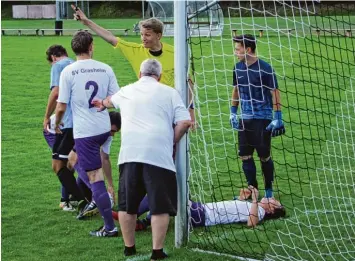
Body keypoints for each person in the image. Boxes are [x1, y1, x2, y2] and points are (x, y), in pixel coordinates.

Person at [92, 59, 191, 260]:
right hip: (158, 155)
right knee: (159, 205)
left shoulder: (127, 90)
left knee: (127, 204)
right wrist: (171, 140)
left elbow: (110, 101)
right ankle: (156, 251)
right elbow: (185, 122)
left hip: (130, 155)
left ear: (140, 74)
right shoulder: (170, 92)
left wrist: (102, 103)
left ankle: (129, 248)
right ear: (160, 76)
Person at [71, 5, 196, 129]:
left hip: (171, 109)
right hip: (148, 110)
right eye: (141, 34)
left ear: (158, 35)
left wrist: (191, 111)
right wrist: (86, 22)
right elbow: (110, 38)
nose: (143, 38)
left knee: (173, 146)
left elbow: (189, 82)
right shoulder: (135, 50)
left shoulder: (175, 53)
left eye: (147, 35)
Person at [55, 31, 120, 237]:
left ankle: (109, 226)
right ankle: (88, 197)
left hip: (86, 133)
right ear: (91, 46)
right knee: (78, 162)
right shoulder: (105, 68)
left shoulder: (69, 71)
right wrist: (103, 104)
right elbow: (116, 98)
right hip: (103, 127)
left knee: (95, 177)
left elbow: (61, 106)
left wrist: (57, 123)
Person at [229, 34, 285, 198]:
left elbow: (275, 92)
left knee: (264, 156)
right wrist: (233, 112)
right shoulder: (237, 67)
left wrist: (278, 116)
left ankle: (268, 191)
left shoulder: (265, 68)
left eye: (237, 49)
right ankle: (252, 189)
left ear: (248, 49)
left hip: (263, 118)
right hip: (245, 119)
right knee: (245, 155)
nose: (235, 52)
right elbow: (236, 89)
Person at [43, 45, 88, 210]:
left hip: (67, 123)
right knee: (70, 163)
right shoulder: (80, 65)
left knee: (58, 165)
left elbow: (56, 92)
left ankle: (84, 200)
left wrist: (47, 116)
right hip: (85, 122)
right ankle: (72, 199)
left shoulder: (58, 66)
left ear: (54, 57)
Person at [132, 187, 286, 229]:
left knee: (166, 192)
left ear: (271, 210)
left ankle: (133, 215)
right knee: (168, 194)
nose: (273, 198)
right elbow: (235, 210)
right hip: (202, 210)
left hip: (203, 215)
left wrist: (253, 200)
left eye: (275, 202)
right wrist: (240, 198)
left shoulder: (259, 211)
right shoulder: (255, 207)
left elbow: (251, 223)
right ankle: (144, 221)